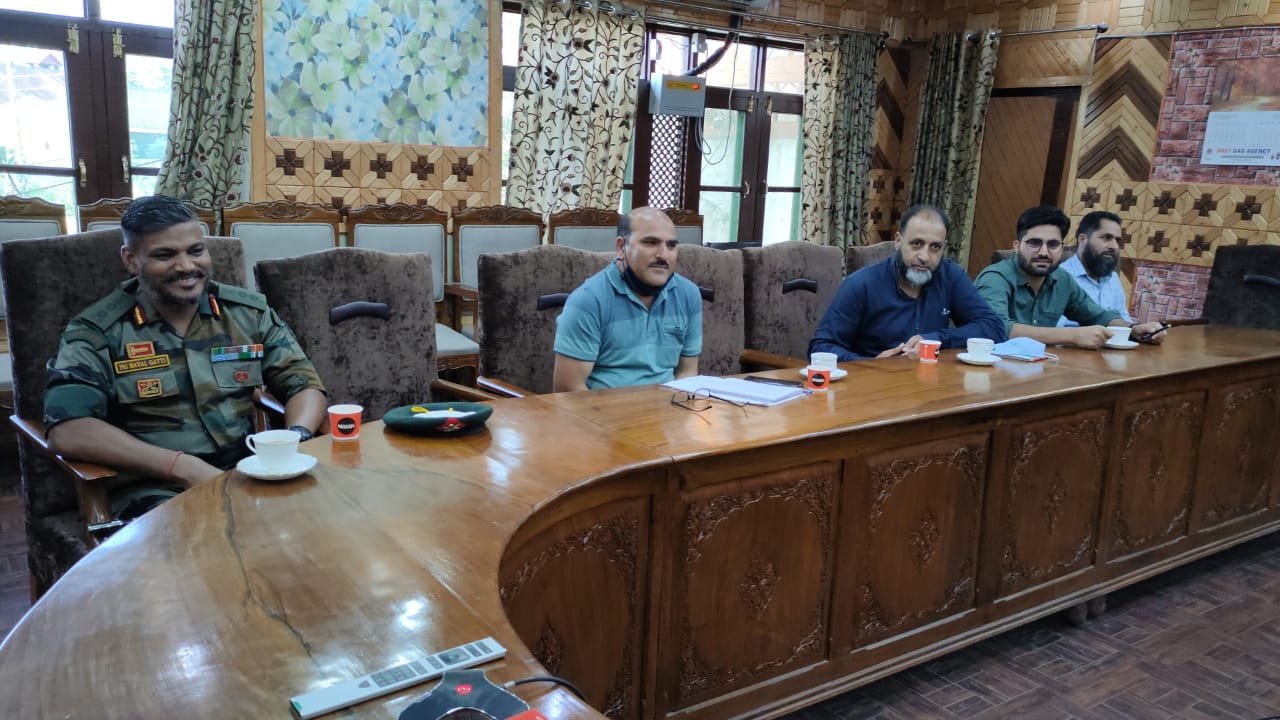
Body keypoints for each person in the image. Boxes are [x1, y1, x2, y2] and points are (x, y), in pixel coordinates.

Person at [44, 195, 327, 496]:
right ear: (131, 259)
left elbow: (303, 383)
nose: (186, 266)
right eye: (165, 255)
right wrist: (182, 467)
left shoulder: (247, 314)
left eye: (196, 251)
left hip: (246, 474)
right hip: (155, 489)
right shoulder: (98, 331)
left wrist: (296, 437)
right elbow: (68, 429)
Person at [809, 204, 1006, 361]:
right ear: (898, 241)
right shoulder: (862, 284)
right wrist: (870, 365)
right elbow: (820, 347)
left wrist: (935, 340)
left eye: (935, 247)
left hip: (931, 385)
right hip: (872, 386)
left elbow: (993, 328)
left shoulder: (950, 276)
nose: (924, 256)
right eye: (917, 244)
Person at [974, 206, 1167, 349]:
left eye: (1053, 244)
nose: (1044, 252)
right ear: (1016, 247)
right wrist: (1073, 335)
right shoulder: (996, 278)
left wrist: (1134, 329)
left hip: (1042, 367)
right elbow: (997, 327)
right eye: (1034, 243)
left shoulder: (1062, 279)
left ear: (1062, 248)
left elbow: (1099, 316)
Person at [553, 206, 702, 391]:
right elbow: (567, 390)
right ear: (621, 247)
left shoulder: (688, 295)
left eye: (671, 245)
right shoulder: (588, 301)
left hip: (669, 406)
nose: (663, 255)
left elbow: (687, 373)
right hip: (601, 408)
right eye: (650, 242)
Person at [1057, 210, 1136, 327]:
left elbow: (1124, 320)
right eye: (1106, 238)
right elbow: (1052, 330)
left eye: (1117, 241)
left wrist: (1137, 330)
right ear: (1082, 240)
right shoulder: (1060, 277)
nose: (1114, 246)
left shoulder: (1113, 278)